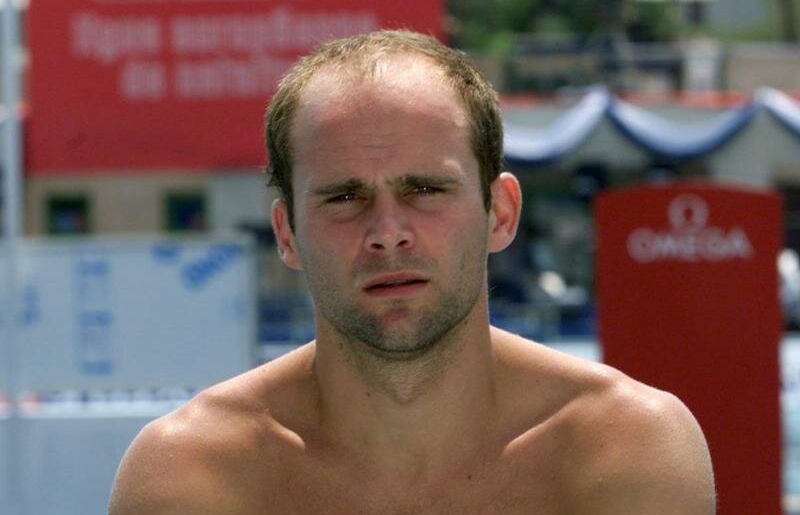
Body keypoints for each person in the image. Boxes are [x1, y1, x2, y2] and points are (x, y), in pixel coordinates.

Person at [108, 30, 715, 514]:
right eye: (344, 197)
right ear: (287, 233)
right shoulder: (194, 475)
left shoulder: (623, 447)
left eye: (425, 189)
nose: (387, 230)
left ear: (500, 214)